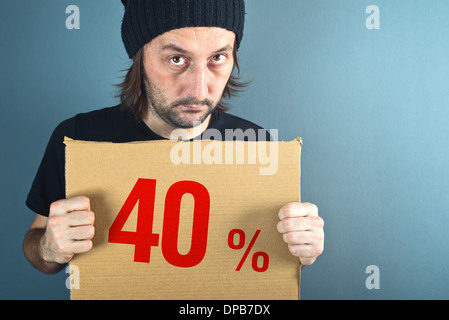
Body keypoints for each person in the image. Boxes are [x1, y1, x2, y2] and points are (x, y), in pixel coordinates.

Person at [23, 0, 324, 276]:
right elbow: (38, 246)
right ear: (139, 57)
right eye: (177, 59)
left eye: (217, 58)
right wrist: (49, 248)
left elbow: (267, 261)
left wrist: (300, 247)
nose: (198, 89)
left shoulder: (256, 147)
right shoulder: (81, 138)